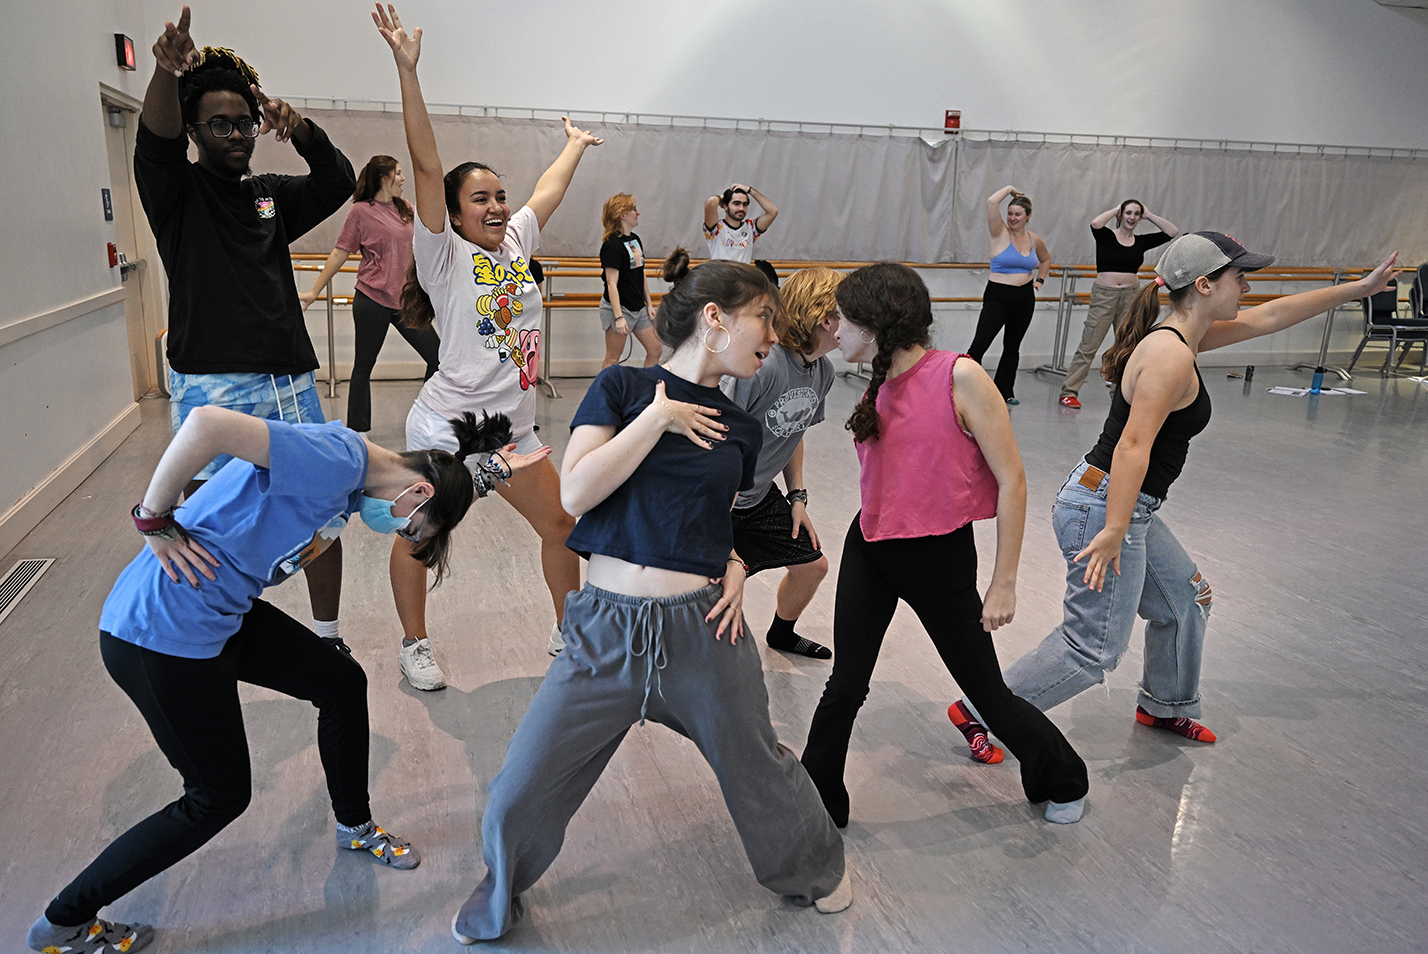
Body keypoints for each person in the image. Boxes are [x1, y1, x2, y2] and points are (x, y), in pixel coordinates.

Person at [24, 402, 549, 954]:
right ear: (417, 494)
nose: (401, 530)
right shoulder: (339, 458)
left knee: (340, 683)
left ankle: (354, 826)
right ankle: (63, 921)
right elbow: (205, 424)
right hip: (160, 632)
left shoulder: (349, 487)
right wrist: (153, 518)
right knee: (216, 797)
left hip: (221, 611)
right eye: (416, 526)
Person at [451, 248, 850, 942]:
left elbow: (705, 514)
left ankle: (814, 867)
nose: (774, 334)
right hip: (603, 631)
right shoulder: (622, 389)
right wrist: (658, 419)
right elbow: (575, 493)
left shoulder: (743, 428)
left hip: (702, 632)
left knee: (758, 766)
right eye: (764, 317)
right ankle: (501, 891)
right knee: (524, 783)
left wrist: (732, 560)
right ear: (716, 320)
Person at [949, 234, 1399, 763]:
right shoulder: (1168, 356)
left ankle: (1164, 704)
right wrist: (1115, 530)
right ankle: (978, 711)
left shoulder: (1182, 338)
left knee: (1186, 601)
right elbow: (1133, 446)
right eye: (1239, 277)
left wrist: (1357, 289)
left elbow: (1269, 318)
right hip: (1104, 505)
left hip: (1121, 505)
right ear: (1205, 285)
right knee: (1091, 648)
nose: (1247, 287)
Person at [799, 263, 1089, 829]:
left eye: (846, 320)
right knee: (845, 685)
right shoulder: (877, 379)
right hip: (872, 546)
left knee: (987, 692)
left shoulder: (960, 378)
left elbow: (1013, 480)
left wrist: (1004, 581)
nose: (836, 331)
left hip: (938, 559)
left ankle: (1063, 776)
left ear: (878, 325)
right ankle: (816, 799)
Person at [375, 3, 599, 687]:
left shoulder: (517, 242)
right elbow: (423, 158)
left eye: (500, 196)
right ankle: (415, 644)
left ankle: (571, 635)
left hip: (510, 436)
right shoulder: (443, 254)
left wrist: (574, 143)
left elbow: (549, 190)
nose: (498, 206)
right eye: (481, 198)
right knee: (422, 533)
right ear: (454, 209)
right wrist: (407, 73)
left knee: (563, 524)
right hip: (449, 431)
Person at [135, 8, 355, 651]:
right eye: (220, 123)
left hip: (287, 378)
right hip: (211, 387)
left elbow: (338, 181)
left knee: (318, 513)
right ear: (197, 129)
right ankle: (210, 634)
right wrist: (163, 71)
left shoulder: (267, 194)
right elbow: (154, 141)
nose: (236, 133)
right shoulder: (175, 192)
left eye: (245, 122)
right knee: (205, 520)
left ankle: (327, 636)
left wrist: (302, 128)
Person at [720, 266, 843, 660]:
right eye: (849, 312)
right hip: (717, 498)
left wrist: (797, 497)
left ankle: (782, 634)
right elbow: (717, 442)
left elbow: (795, 432)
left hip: (758, 498)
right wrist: (719, 533)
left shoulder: (822, 371)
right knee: (710, 591)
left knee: (813, 567)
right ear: (826, 318)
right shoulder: (765, 365)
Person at [300, 155, 441, 431]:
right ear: (383, 178)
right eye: (398, 174)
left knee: (438, 359)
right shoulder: (360, 212)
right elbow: (341, 251)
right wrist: (314, 291)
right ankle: (358, 433)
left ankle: (426, 415)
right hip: (372, 300)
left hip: (405, 302)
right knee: (363, 368)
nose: (402, 179)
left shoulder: (406, 208)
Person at [1059, 200, 1179, 409]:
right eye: (1128, 213)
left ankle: (1120, 393)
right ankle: (1069, 392)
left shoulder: (1140, 241)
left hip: (1130, 296)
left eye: (1136, 214)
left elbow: (1172, 231)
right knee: (1089, 344)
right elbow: (1095, 223)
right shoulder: (1106, 236)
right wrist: (1116, 210)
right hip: (1105, 296)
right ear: (1121, 215)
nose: (1132, 217)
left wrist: (1148, 214)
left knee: (1126, 344)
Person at [967, 186, 1051, 405]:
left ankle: (1005, 391)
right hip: (998, 296)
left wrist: (1040, 279)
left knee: (1012, 346)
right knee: (980, 344)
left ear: (1027, 217)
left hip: (1024, 298)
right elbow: (991, 203)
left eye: (1017, 214)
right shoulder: (999, 232)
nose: (1013, 218)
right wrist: (1010, 190)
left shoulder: (1035, 240)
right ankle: (964, 388)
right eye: (1010, 214)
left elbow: (1045, 260)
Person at [598, 192, 661, 369]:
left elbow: (641, 274)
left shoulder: (635, 240)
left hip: (638, 307)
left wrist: (648, 304)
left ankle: (647, 389)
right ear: (622, 215)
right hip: (619, 308)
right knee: (613, 358)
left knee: (655, 349)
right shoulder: (612, 245)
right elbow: (612, 284)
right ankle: (604, 394)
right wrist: (619, 317)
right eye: (633, 209)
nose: (638, 213)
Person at [703, 183, 778, 263]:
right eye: (736, 203)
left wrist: (750, 190)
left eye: (745, 204)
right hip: (720, 275)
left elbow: (773, 211)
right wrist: (723, 197)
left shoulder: (751, 228)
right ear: (725, 206)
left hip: (743, 275)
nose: (741, 208)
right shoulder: (716, 228)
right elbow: (711, 203)